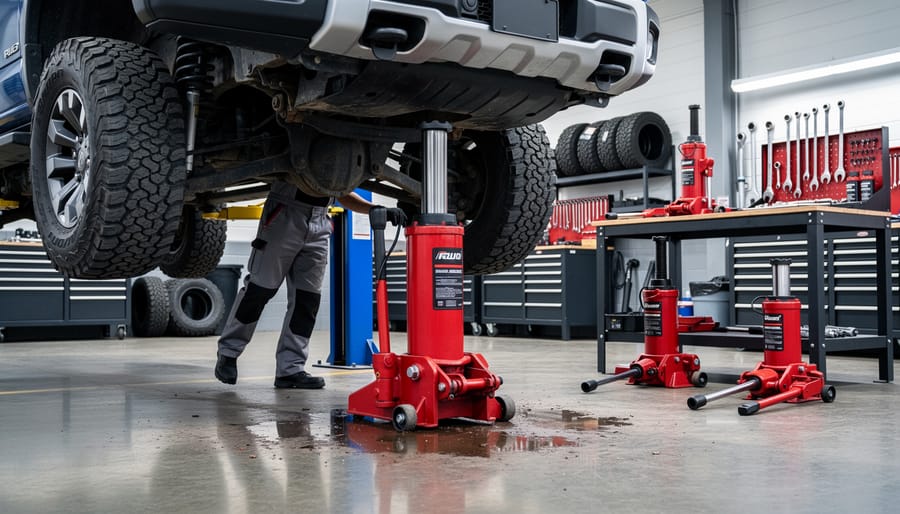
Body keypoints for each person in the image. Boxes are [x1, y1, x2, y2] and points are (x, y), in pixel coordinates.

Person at [214, 182, 406, 389]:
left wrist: (374, 209)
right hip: (285, 212)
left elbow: (341, 192)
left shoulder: (338, 167)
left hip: (320, 220)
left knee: (307, 301)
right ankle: (228, 353)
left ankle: (290, 370)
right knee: (259, 290)